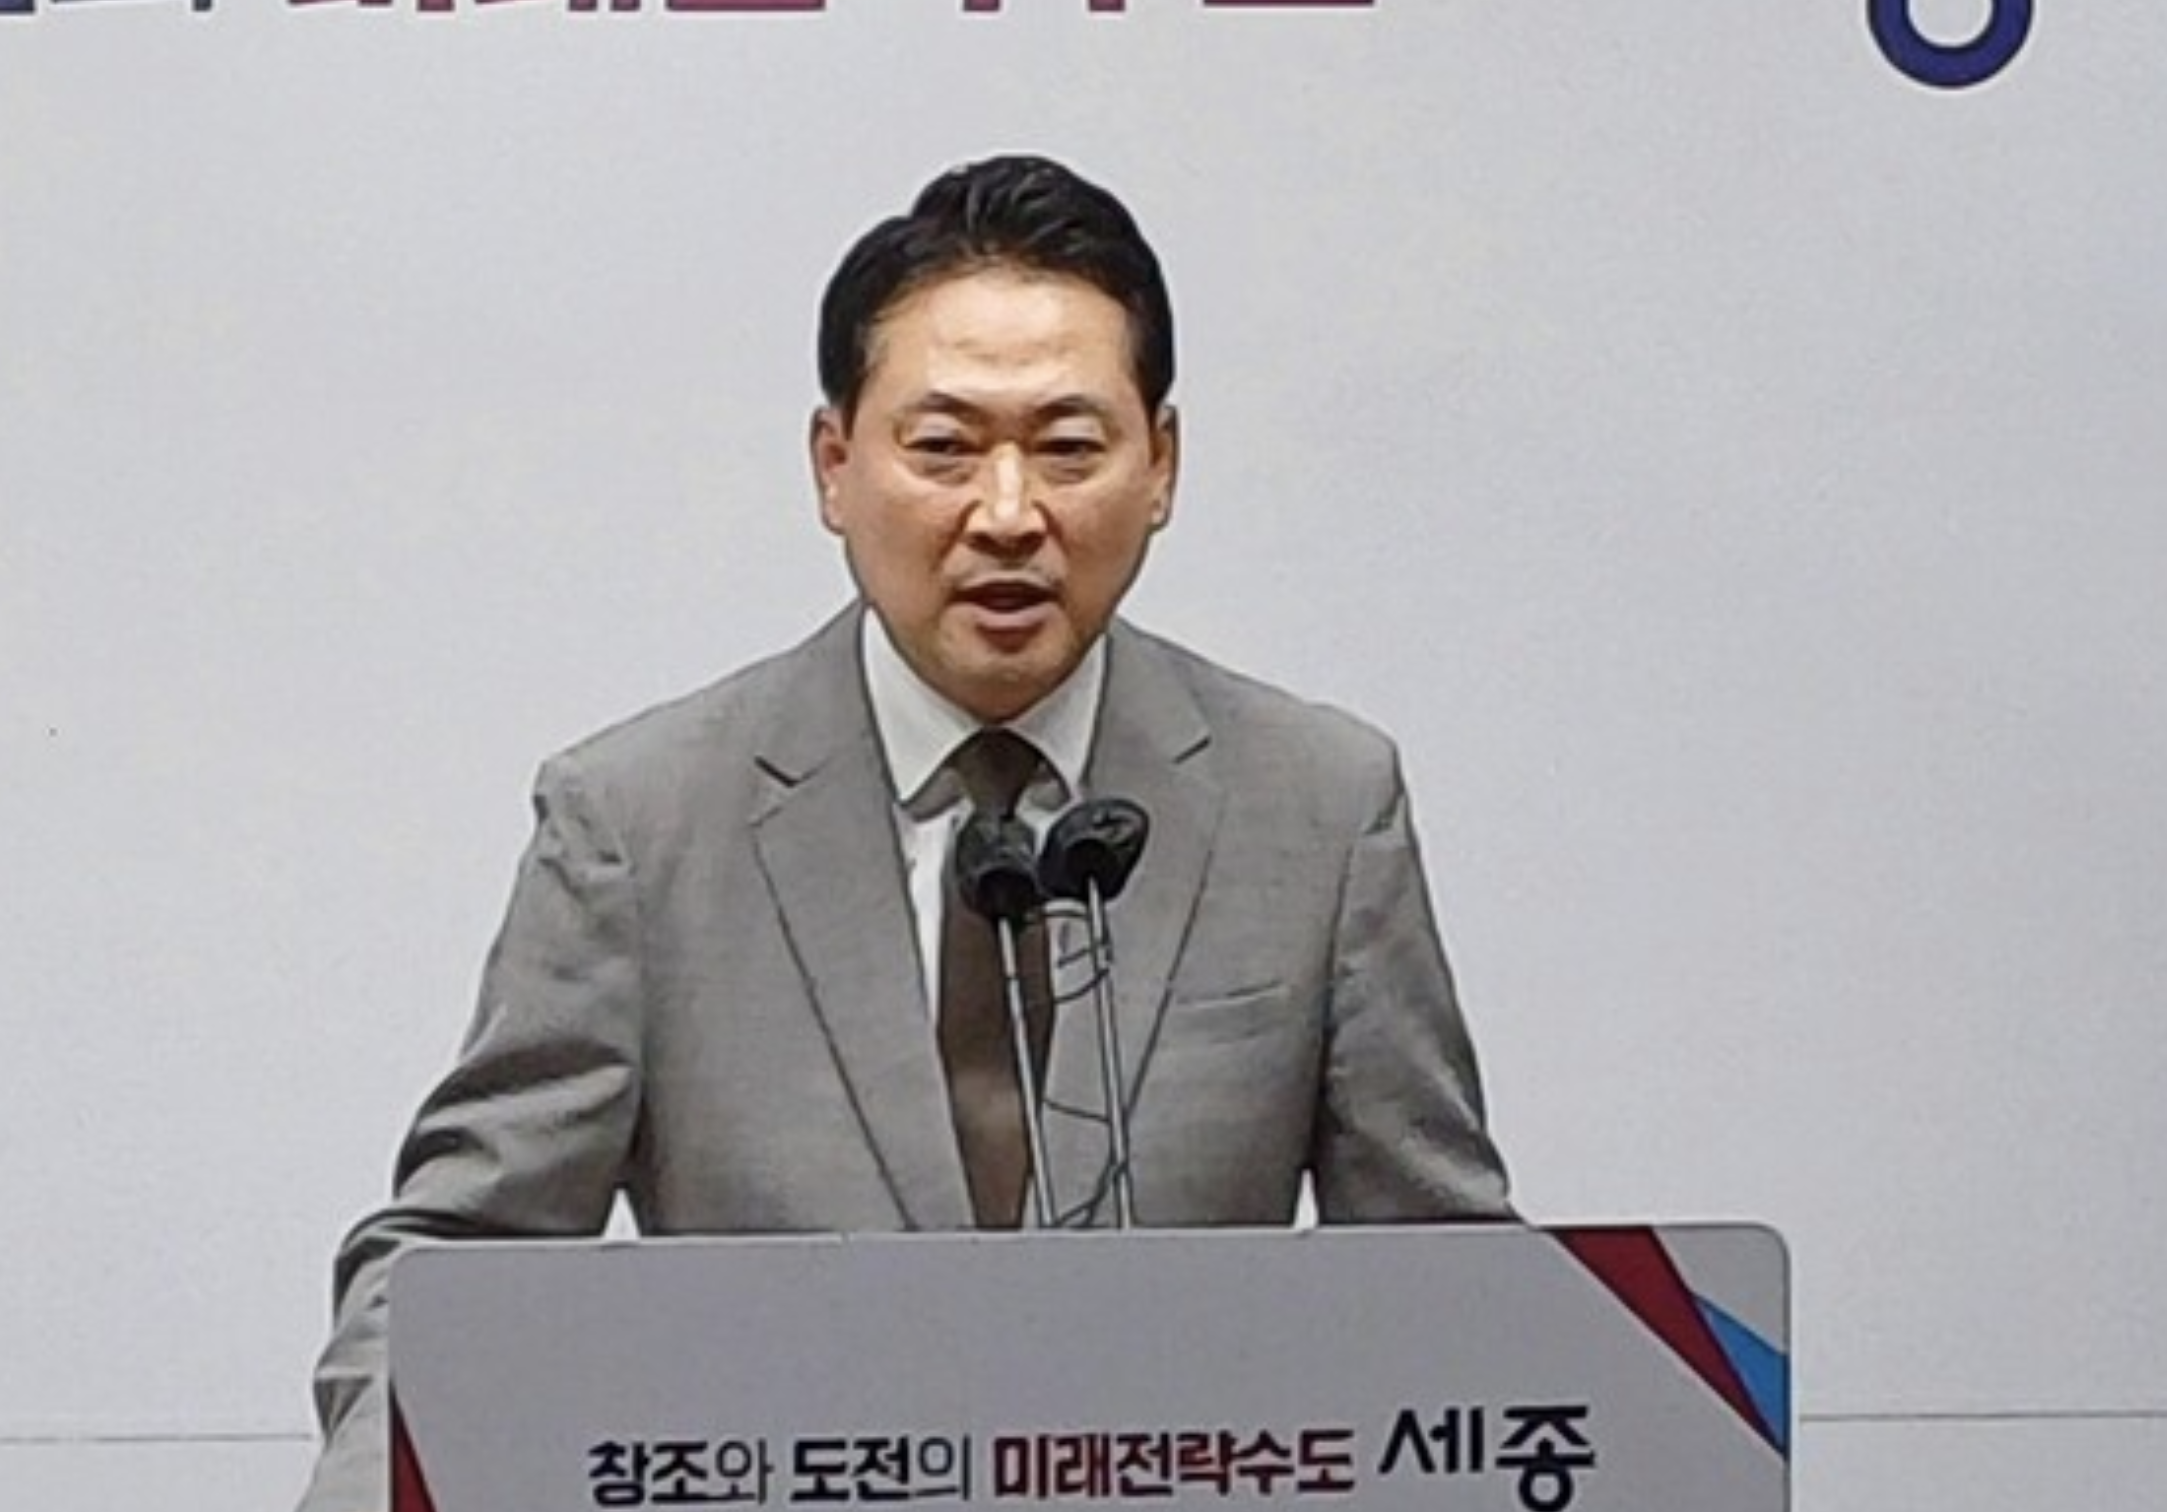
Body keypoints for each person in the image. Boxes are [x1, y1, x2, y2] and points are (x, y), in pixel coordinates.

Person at [296, 154, 1510, 1512]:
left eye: (1069, 448)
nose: (1008, 514)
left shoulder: (1318, 806)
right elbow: (449, 1276)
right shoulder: (640, 825)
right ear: (835, 466)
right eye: (943, 449)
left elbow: (1454, 1293)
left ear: (1160, 466)